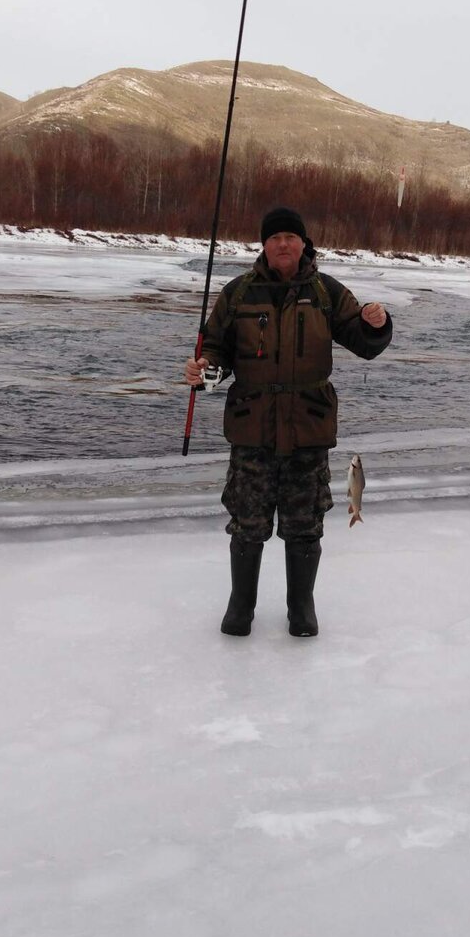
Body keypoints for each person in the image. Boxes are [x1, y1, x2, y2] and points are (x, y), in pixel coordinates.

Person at [183, 206, 393, 639]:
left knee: (304, 524)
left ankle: (302, 608)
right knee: (247, 521)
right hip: (252, 427)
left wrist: (378, 324)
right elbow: (216, 352)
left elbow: (365, 342)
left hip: (307, 429)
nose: (283, 244)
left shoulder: (325, 292)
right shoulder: (238, 293)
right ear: (264, 245)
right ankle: (241, 606)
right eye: (274, 237)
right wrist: (204, 371)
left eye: (290, 238)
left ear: (303, 244)